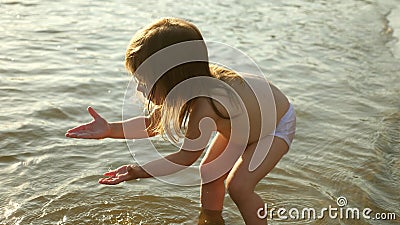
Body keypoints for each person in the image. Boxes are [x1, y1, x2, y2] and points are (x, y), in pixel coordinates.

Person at [65, 17, 296, 225]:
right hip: (243, 123)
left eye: (144, 82)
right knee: (210, 171)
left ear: (171, 78)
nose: (139, 89)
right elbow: (151, 123)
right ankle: (211, 220)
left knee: (239, 187)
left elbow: (184, 158)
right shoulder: (189, 84)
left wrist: (137, 171)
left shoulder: (206, 105)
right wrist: (109, 129)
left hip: (274, 125)